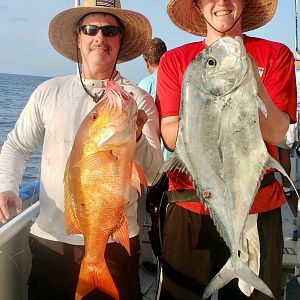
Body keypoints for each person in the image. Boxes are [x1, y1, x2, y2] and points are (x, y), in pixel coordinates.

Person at [0, 1, 163, 300]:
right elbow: (17, 145)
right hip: (51, 240)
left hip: (116, 241)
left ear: (120, 40)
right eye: (91, 29)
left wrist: (137, 137)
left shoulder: (138, 100)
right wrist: (7, 185)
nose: (100, 37)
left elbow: (153, 174)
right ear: (78, 37)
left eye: (110, 30)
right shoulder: (49, 92)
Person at [156, 0, 297, 299]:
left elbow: (277, 132)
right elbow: (169, 135)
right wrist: (205, 110)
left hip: (256, 207)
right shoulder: (176, 60)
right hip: (188, 204)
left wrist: (249, 79)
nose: (221, 2)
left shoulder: (275, 54)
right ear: (197, 5)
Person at [138, 38, 170, 274]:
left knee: (155, 211)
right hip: (180, 163)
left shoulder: (145, 85)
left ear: (146, 61)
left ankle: (159, 260)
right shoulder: (177, 81)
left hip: (156, 165)